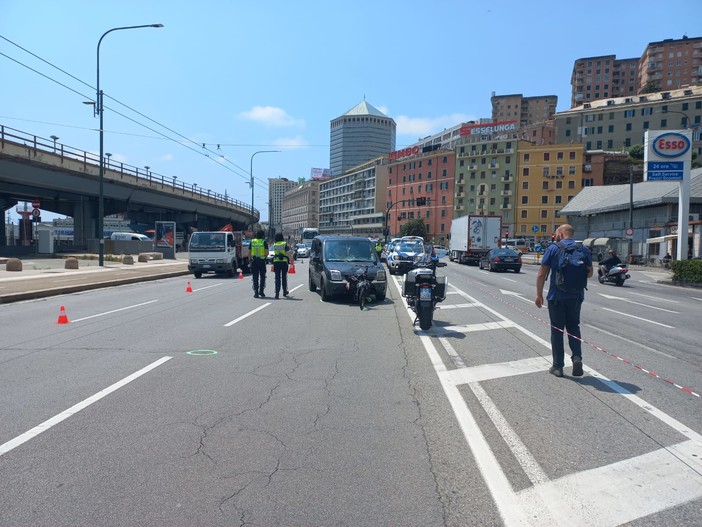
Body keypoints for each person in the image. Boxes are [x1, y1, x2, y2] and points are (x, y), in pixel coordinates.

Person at [535, 224, 593, 378]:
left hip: (557, 296)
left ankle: (558, 366)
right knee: (574, 327)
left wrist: (539, 294)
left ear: (560, 234)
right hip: (576, 296)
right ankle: (577, 357)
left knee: (557, 331)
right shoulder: (583, 249)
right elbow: (590, 273)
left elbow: (542, 274)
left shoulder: (553, 249)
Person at [272, 232, 292, 299]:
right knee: (284, 277)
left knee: (277, 278)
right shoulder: (284, 244)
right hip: (283, 262)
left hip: (276, 262)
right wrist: (291, 259)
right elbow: (288, 253)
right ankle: (284, 292)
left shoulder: (275, 244)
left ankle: (277, 293)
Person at [250, 229, 268, 298]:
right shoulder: (264, 242)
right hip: (262, 261)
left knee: (255, 277)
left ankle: (256, 292)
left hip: (254, 261)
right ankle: (261, 291)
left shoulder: (252, 242)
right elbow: (267, 253)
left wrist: (250, 260)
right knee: (262, 277)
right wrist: (264, 258)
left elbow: (249, 252)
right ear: (263, 235)